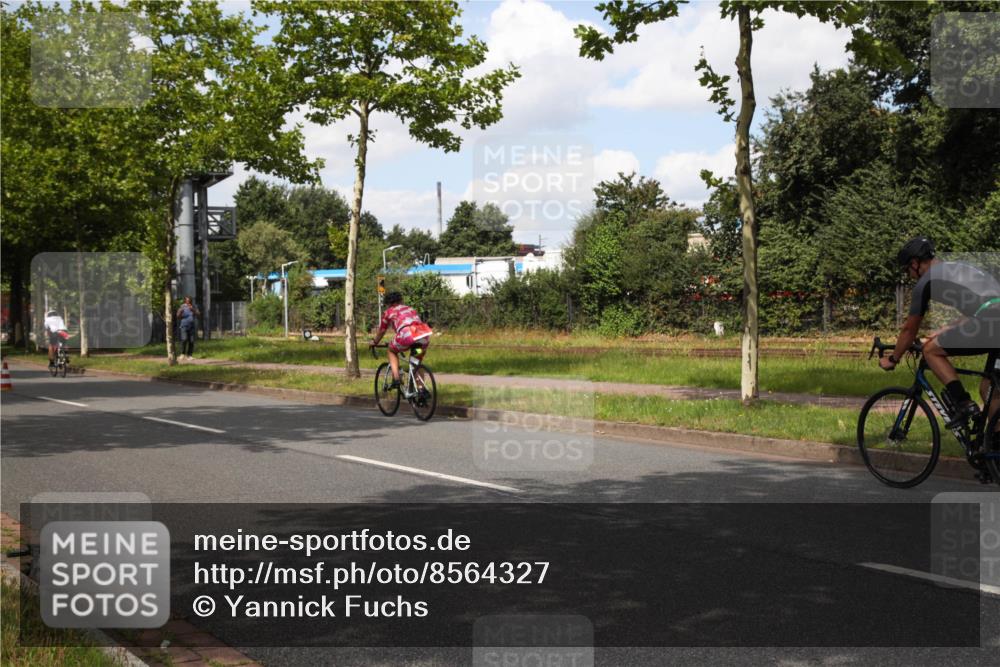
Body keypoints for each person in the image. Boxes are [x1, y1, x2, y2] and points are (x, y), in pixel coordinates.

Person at [880, 237, 1000, 426]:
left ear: (915, 263)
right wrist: (948, 328)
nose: (910, 275)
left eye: (907, 270)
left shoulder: (925, 282)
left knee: (930, 351)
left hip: (991, 322)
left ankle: (963, 403)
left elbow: (909, 330)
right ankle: (995, 445)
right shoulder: (956, 268)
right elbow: (983, 306)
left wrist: (893, 358)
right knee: (990, 389)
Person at [370, 292, 432, 389]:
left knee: (391, 350)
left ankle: (396, 379)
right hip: (423, 335)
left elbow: (382, 330)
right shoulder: (410, 309)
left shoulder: (388, 312)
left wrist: (375, 342)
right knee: (416, 362)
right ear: (401, 300)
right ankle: (421, 391)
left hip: (407, 335)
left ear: (388, 304)